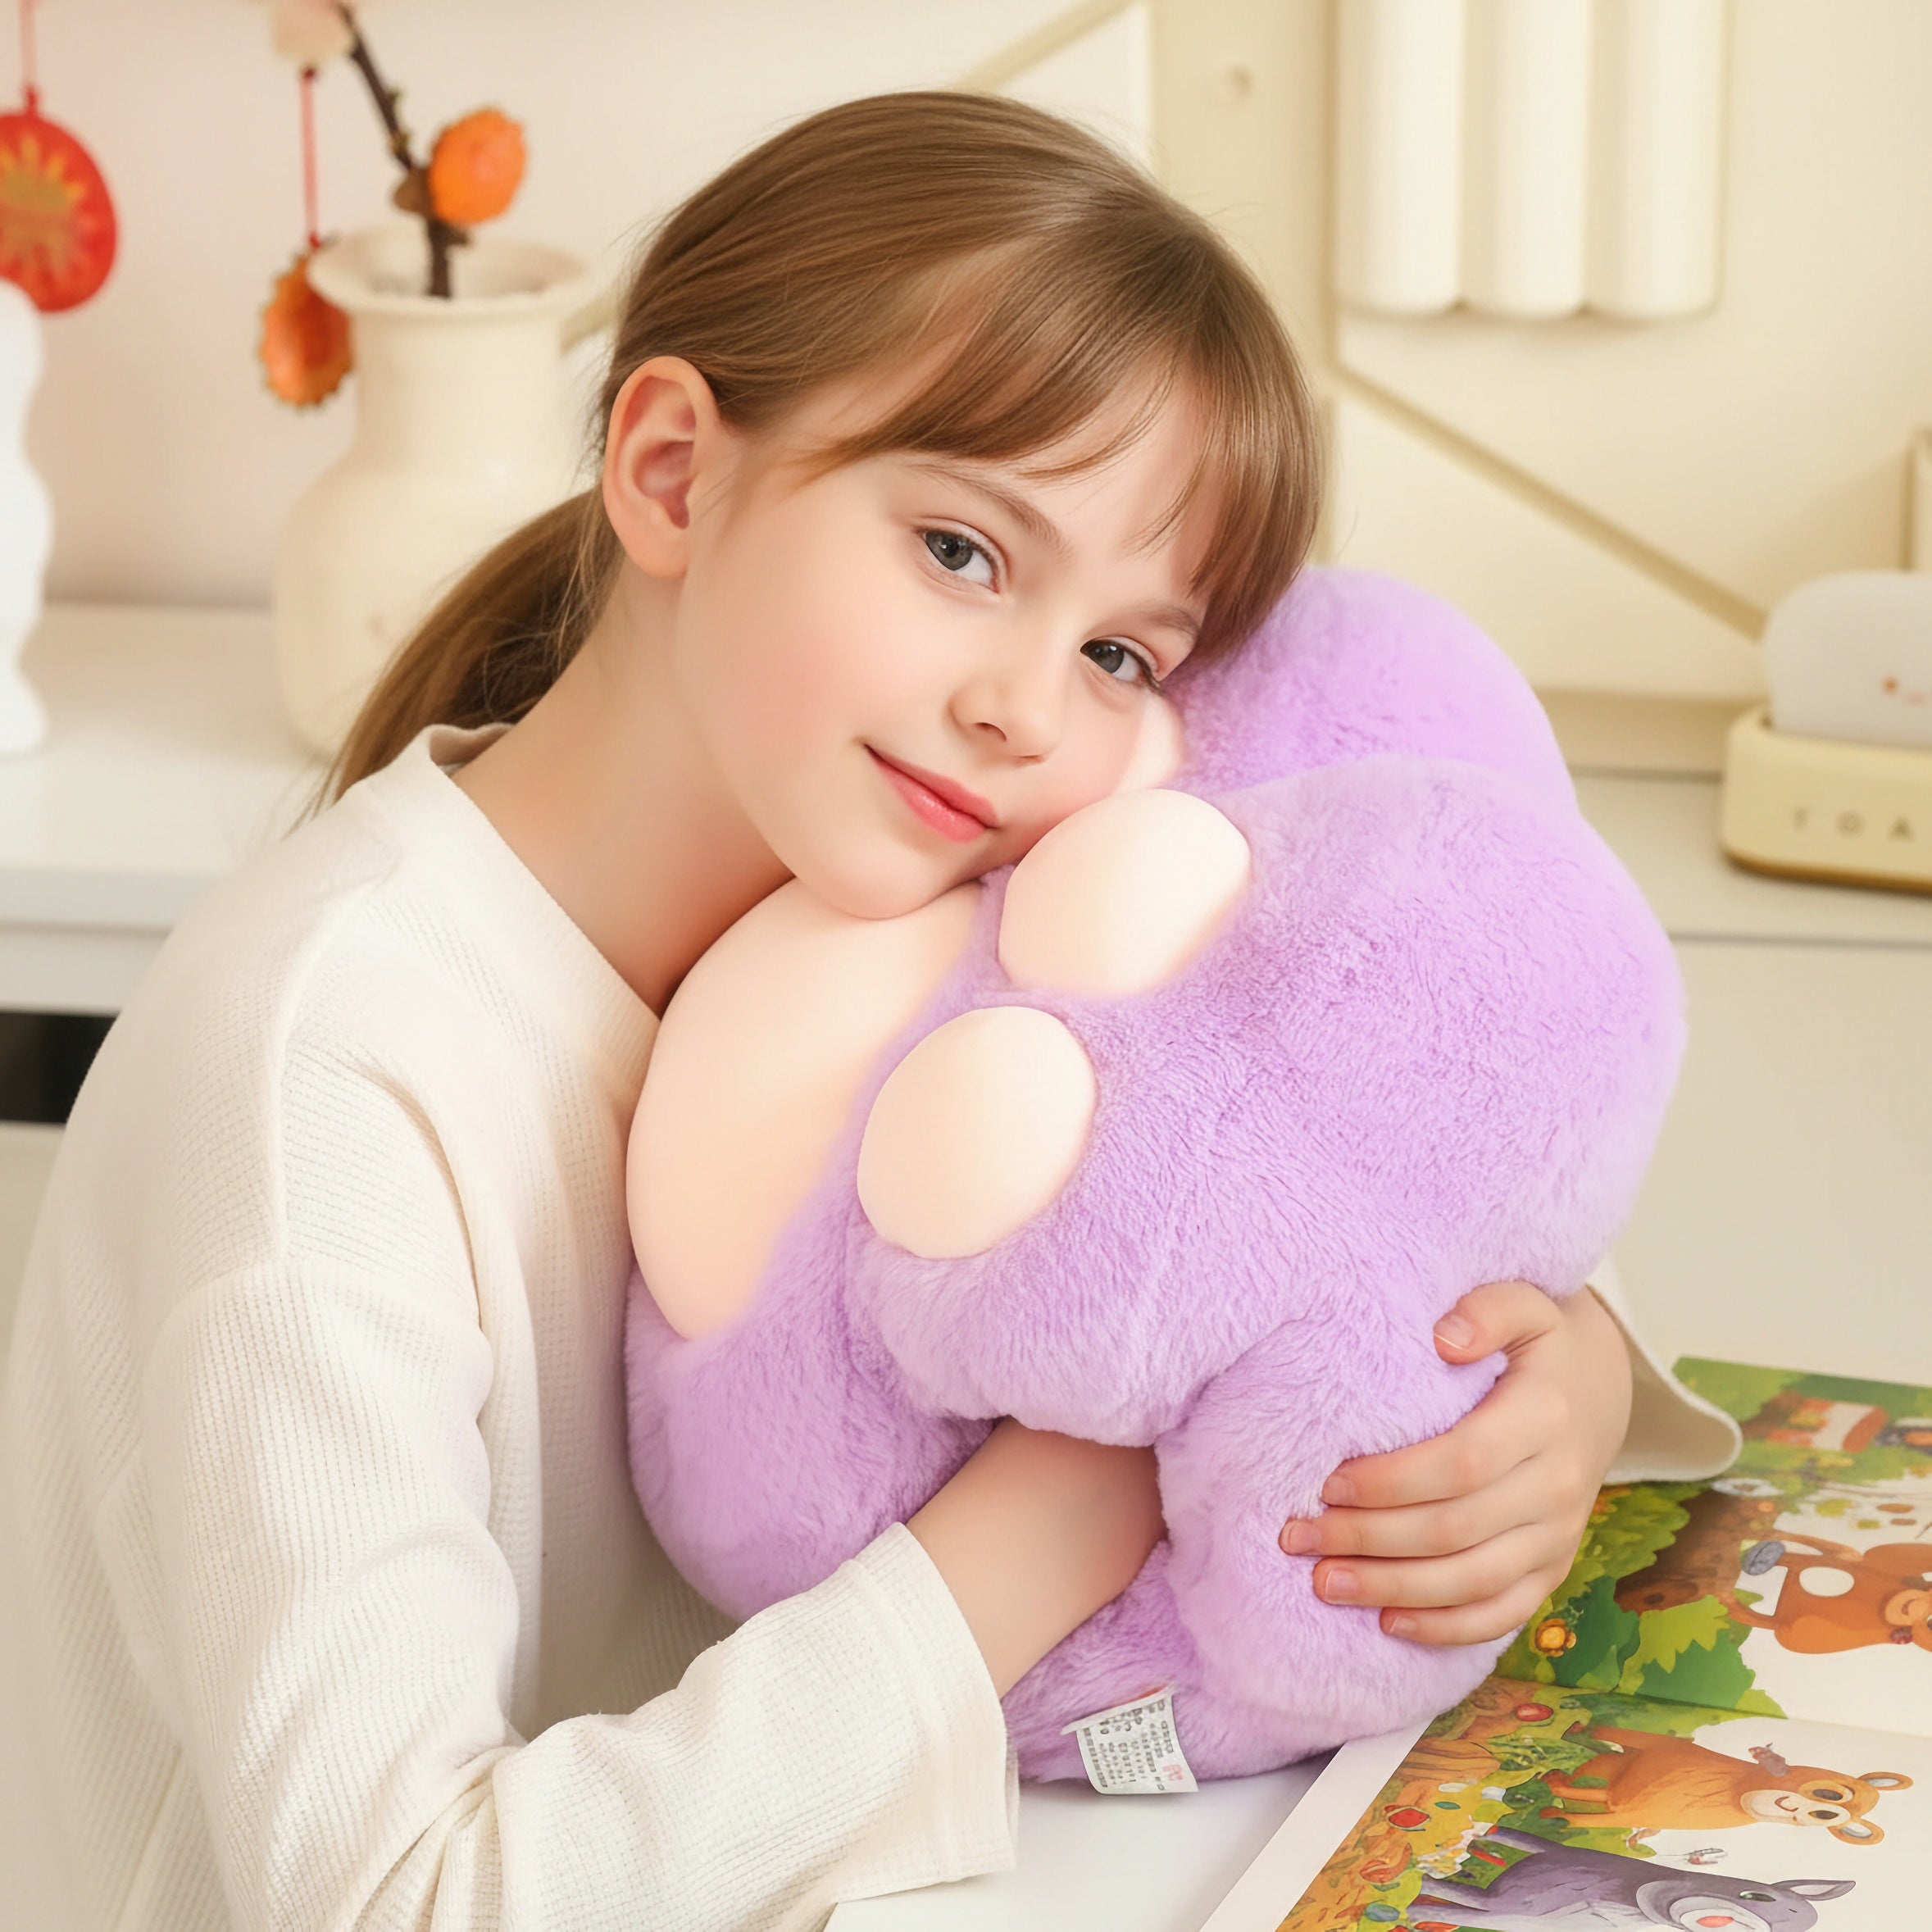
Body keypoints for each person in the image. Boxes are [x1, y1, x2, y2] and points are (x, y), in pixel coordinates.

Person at [0, 92, 1736, 1931]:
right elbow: (397, 1902)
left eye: (1120, 654)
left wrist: (1567, 1372)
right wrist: (1021, 1543)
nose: (1028, 710)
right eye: (963, 553)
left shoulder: (908, 898)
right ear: (673, 474)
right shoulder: (326, 1079)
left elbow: (1314, 1104)